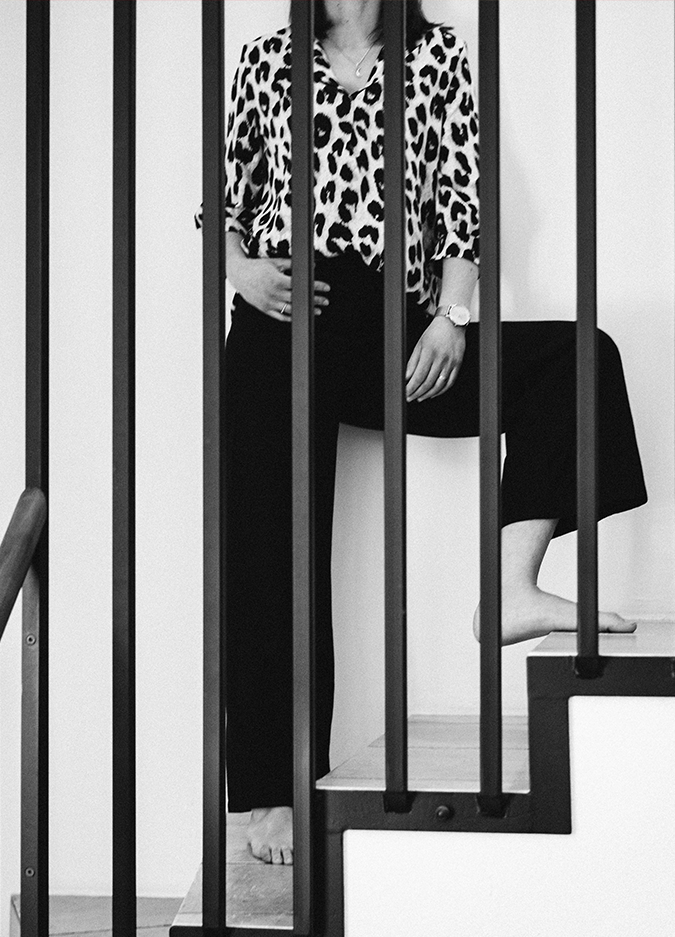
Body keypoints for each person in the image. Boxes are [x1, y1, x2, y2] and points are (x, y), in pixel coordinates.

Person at [195, 0, 647, 865]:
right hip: (277, 324)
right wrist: (241, 272)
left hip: (395, 325)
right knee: (269, 557)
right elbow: (221, 205)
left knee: (576, 358)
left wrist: (450, 316)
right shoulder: (264, 59)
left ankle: (509, 589)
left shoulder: (435, 56)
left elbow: (464, 201)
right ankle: (271, 792)